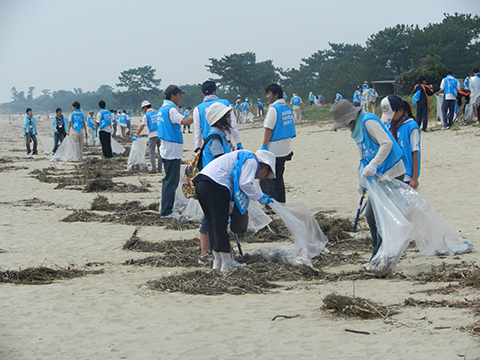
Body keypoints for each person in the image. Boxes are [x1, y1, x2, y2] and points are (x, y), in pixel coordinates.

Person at [330, 99, 405, 267]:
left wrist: (374, 164)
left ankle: (383, 255)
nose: (344, 127)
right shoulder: (356, 130)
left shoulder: (368, 121)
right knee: (371, 216)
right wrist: (362, 183)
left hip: (392, 172)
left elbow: (387, 143)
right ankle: (378, 253)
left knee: (379, 215)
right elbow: (363, 158)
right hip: (378, 176)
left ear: (350, 118)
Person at [193, 149, 276, 272]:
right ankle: (227, 262)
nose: (262, 177)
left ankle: (218, 261)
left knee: (213, 223)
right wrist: (259, 196)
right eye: (266, 174)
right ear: (265, 166)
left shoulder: (243, 156)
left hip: (201, 183)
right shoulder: (253, 161)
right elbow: (245, 184)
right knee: (220, 224)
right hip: (216, 184)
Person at [197, 102, 233, 264]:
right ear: (220, 119)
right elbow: (222, 163)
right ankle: (211, 255)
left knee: (213, 220)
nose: (230, 119)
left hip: (209, 184)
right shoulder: (215, 139)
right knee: (215, 222)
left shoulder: (218, 136)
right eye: (227, 116)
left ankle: (216, 257)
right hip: (214, 185)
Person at [157, 85, 193, 218]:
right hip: (171, 150)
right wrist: (198, 116)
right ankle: (166, 211)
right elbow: (184, 121)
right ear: (173, 96)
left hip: (166, 148)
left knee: (170, 179)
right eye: (179, 95)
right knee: (171, 181)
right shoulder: (171, 110)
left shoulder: (162, 109)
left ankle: (166, 207)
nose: (181, 97)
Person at [260, 83, 295, 203]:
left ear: (276, 95)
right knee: (278, 177)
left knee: (266, 178)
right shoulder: (287, 108)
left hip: (274, 149)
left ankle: (271, 205)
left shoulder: (274, 109)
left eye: (269, 94)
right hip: (285, 149)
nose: (267, 97)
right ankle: (281, 202)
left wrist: (264, 147)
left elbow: (268, 129)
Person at [381, 96, 420, 189]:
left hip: (406, 173)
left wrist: (414, 178)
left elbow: (415, 152)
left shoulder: (411, 125)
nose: (390, 119)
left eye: (391, 115)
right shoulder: (389, 125)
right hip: (391, 171)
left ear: (400, 111)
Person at [193, 80, 242, 152]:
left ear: (202, 94)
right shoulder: (225, 103)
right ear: (215, 91)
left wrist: (197, 148)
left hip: (208, 145)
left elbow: (198, 132)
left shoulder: (198, 109)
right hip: (225, 142)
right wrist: (238, 143)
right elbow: (233, 125)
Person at [132, 100, 162, 173]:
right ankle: (160, 169)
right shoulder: (158, 113)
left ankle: (154, 169)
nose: (143, 111)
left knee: (151, 153)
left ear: (145, 108)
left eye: (143, 109)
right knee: (160, 152)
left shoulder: (146, 115)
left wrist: (136, 134)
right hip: (160, 134)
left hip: (152, 135)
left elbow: (142, 126)